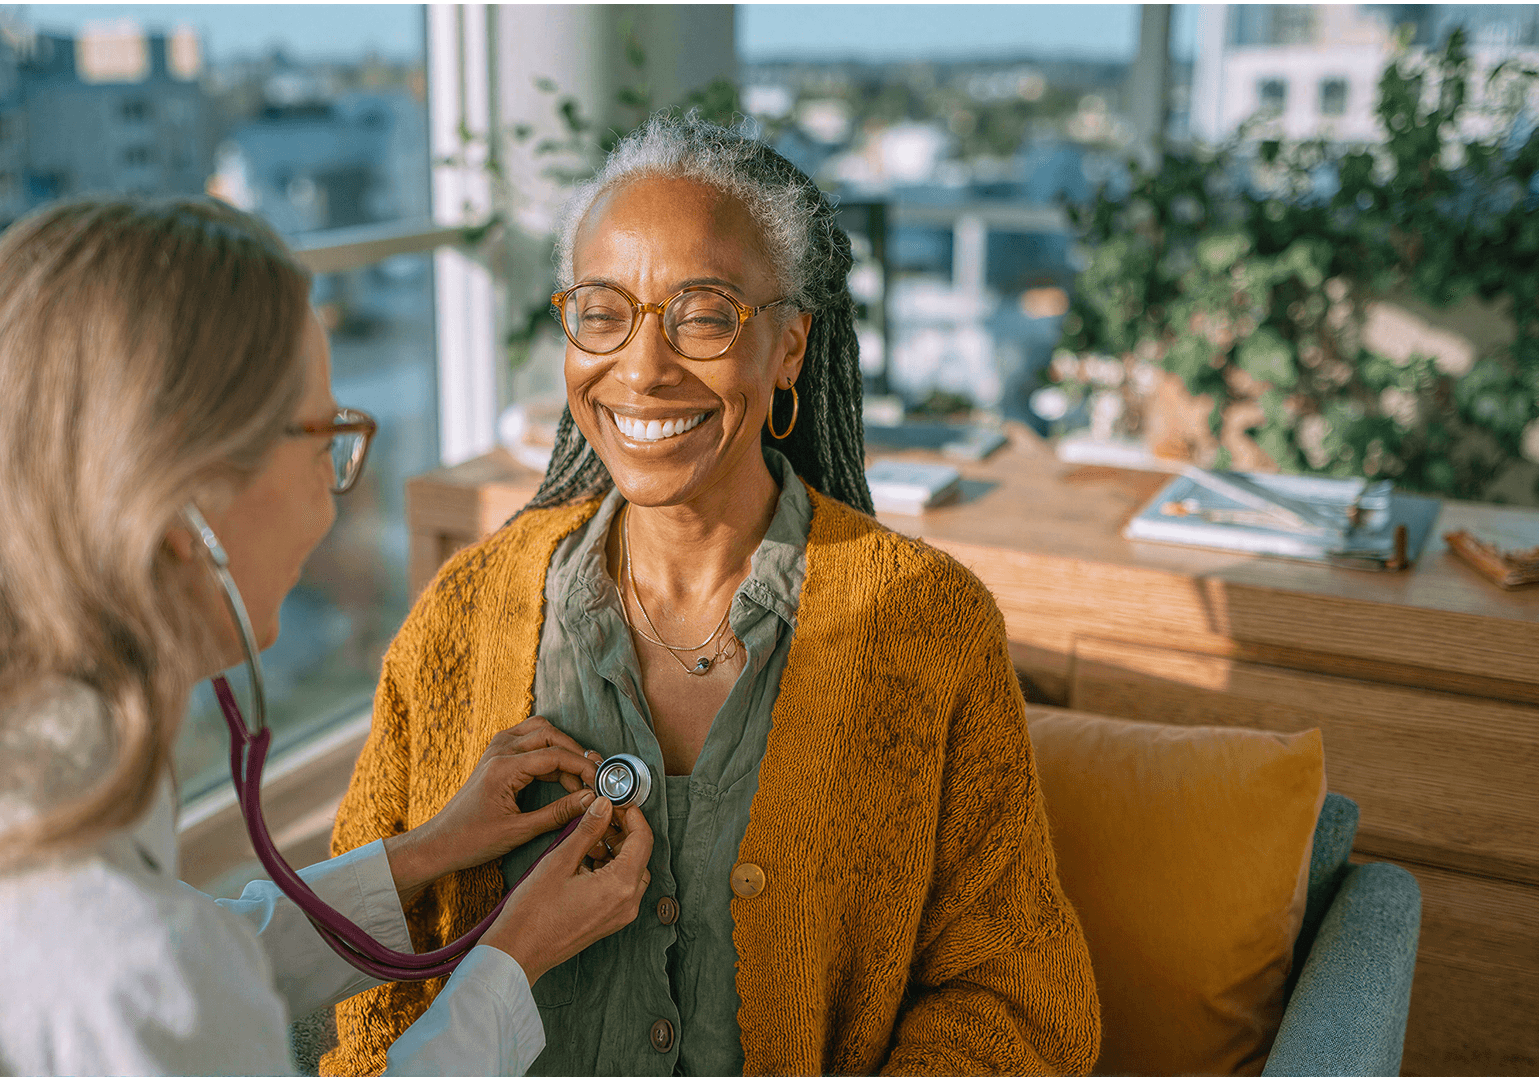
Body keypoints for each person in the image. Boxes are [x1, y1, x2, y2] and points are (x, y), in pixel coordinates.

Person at [0, 198, 653, 1076]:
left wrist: (424, 855)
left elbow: (178, 957)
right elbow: (154, 985)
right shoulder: (119, 960)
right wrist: (509, 965)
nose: (333, 485)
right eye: (323, 436)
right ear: (184, 500)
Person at [324, 113, 1102, 1076]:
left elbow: (1011, 993)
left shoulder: (927, 626)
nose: (643, 368)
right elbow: (363, 973)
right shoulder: (465, 612)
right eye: (603, 311)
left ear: (788, 349)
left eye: (703, 314)